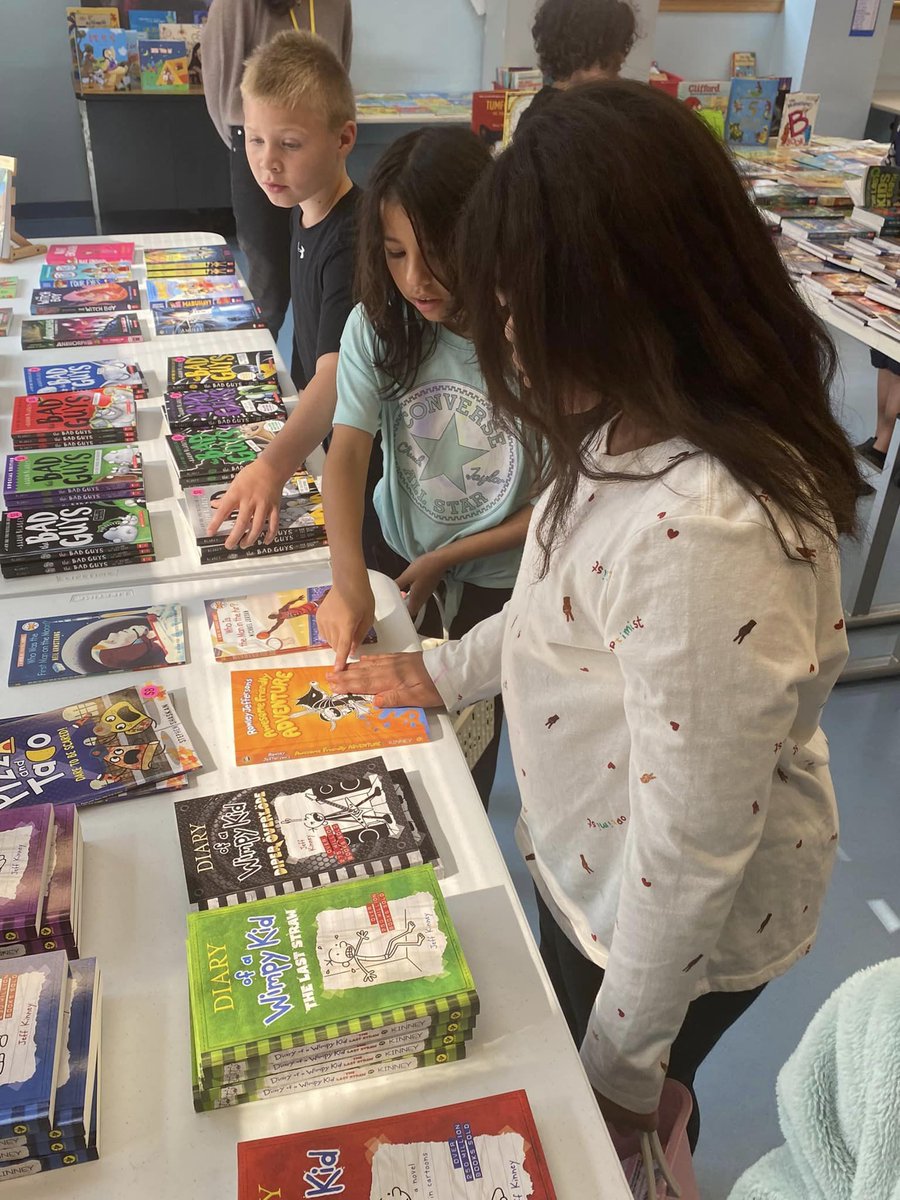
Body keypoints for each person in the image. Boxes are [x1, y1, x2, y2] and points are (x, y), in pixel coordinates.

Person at [326, 81, 866, 1149]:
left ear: (627, 301)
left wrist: (620, 1078)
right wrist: (439, 672)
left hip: (667, 922)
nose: (504, 336)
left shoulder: (713, 531)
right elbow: (549, 610)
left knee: (629, 1110)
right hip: (595, 871)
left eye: (523, 305)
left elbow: (694, 844)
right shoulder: (618, 425)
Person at [315, 127, 538, 808]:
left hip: (498, 590)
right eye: (394, 253)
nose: (415, 278)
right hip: (398, 566)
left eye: (438, 253)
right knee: (380, 752)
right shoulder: (380, 326)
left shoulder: (530, 341)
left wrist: (452, 558)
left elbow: (557, 511)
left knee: (464, 764)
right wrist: (349, 580)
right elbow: (346, 456)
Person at [205, 29, 359, 549]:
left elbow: (337, 374)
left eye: (289, 144)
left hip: (351, 458)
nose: (267, 161)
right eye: (254, 138)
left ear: (344, 139)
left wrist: (272, 465)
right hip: (312, 434)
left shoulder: (352, 239)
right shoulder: (304, 206)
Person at [203, 0, 352, 339]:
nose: (269, 163)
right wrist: (254, 141)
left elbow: (339, 67)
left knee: (314, 287)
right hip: (260, 132)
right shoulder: (237, 6)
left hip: (311, 137)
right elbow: (221, 85)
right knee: (269, 284)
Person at [520, 0, 636, 124]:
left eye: (621, 48)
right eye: (608, 51)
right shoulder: (550, 120)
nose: (621, 59)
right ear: (575, 51)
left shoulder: (613, 104)